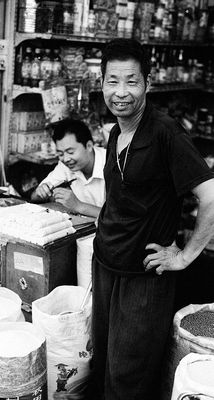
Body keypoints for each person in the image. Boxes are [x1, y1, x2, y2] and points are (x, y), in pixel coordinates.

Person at [91, 38, 214, 400]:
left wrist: (185, 255)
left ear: (148, 83)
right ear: (101, 85)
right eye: (113, 81)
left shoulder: (165, 133)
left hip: (143, 278)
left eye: (132, 81)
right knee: (103, 366)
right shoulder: (116, 132)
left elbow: (210, 195)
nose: (121, 92)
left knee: (128, 379)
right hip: (107, 266)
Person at [31, 118, 106, 218]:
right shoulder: (65, 166)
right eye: (60, 154)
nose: (66, 159)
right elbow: (34, 197)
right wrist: (41, 192)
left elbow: (121, 218)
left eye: (71, 152)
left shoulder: (113, 164)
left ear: (89, 146)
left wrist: (77, 205)